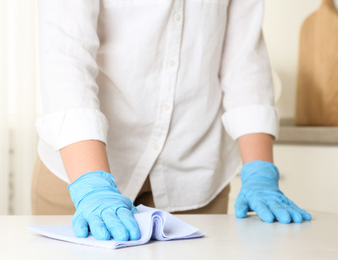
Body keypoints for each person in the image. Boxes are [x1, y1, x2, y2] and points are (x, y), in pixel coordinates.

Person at [32, 0, 312, 241]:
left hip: (195, 172)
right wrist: (91, 184)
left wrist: (259, 170)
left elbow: (245, 60)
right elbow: (66, 57)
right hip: (81, 169)